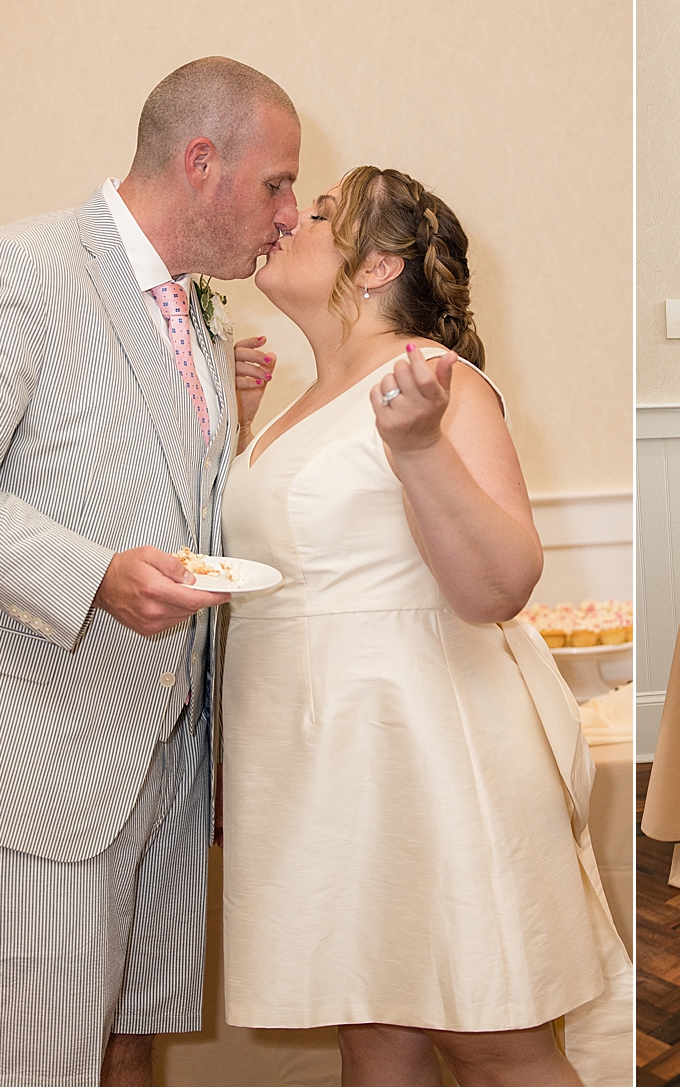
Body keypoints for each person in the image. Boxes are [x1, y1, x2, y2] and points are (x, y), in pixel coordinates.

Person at [0, 57, 299, 1087]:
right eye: (276, 184)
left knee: (127, 1045)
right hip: (32, 759)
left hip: (159, 756)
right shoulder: (22, 271)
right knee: (37, 1067)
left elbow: (148, 495)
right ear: (200, 163)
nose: (288, 216)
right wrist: (96, 577)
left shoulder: (195, 313)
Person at [219, 166, 631, 1087]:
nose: (291, 219)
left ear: (378, 267)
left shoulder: (437, 385)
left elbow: (498, 586)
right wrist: (236, 433)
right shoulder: (291, 406)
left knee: (492, 1040)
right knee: (372, 1032)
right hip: (316, 760)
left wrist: (419, 450)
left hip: (427, 747)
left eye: (322, 214)